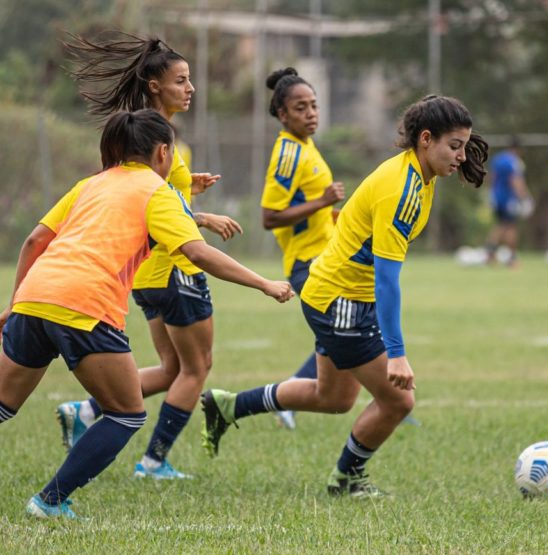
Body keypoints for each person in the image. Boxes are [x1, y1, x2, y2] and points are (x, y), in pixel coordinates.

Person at [0, 110, 293, 518]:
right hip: (85, 305)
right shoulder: (156, 191)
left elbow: (34, 240)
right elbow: (197, 252)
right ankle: (50, 501)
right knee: (127, 414)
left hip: (35, 296)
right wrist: (264, 283)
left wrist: (14, 303)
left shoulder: (90, 185)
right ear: (163, 152)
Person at [199, 95, 488, 497]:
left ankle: (228, 406)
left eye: (464, 147)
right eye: (454, 146)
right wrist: (397, 351)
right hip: (341, 302)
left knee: (332, 396)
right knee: (399, 402)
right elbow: (388, 280)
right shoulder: (401, 188)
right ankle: (347, 479)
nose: (461, 156)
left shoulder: (419, 176)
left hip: (332, 293)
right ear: (426, 139)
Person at [53, 33, 249, 479]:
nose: (190, 87)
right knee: (198, 368)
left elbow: (151, 194)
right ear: (155, 85)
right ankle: (153, 461)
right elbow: (150, 205)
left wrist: (186, 188)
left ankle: (85, 411)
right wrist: (201, 218)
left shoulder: (149, 136)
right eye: (181, 80)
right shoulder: (157, 138)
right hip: (175, 268)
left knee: (172, 368)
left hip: (147, 273)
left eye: (190, 79)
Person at [258, 67, 346, 429]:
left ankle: (391, 401)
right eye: (300, 108)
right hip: (307, 264)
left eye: (314, 106)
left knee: (347, 333)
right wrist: (321, 201)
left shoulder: (305, 145)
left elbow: (308, 204)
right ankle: (286, 399)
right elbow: (270, 216)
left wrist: (332, 213)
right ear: (282, 114)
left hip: (324, 256)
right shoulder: (287, 155)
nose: (310, 114)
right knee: (347, 334)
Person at [485, 136, 533, 267]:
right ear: (518, 149)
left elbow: (491, 178)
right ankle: (512, 258)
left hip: (496, 198)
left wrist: (490, 194)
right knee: (511, 227)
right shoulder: (514, 161)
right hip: (508, 199)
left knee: (501, 225)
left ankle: (490, 254)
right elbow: (516, 181)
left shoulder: (498, 159)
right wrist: (525, 198)